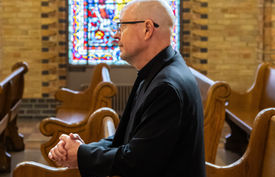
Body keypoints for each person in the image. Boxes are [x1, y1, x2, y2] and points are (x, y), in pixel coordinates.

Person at [48, 0, 206, 176]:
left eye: (122, 26)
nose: (116, 35)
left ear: (147, 29)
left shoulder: (166, 87)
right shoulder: (157, 71)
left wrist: (81, 155)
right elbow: (131, 139)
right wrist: (83, 149)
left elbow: (138, 162)